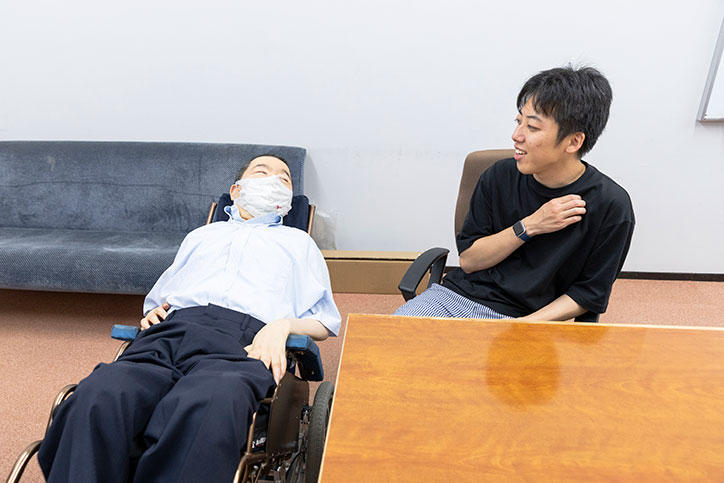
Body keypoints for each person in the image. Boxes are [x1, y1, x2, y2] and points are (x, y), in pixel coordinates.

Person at [37, 154, 341, 482]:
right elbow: (165, 294)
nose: (273, 180)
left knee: (208, 403)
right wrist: (154, 311)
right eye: (261, 172)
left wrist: (283, 326)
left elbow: (324, 321)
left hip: (244, 342)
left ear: (288, 200)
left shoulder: (300, 243)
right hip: (171, 331)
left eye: (283, 178)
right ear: (236, 190)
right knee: (100, 395)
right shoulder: (201, 236)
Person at [396, 66, 634, 321]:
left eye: (532, 127)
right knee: (392, 338)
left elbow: (588, 294)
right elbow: (469, 261)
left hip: (533, 319)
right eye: (518, 121)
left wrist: (523, 326)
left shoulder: (611, 205)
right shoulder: (498, 176)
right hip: (457, 298)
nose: (516, 136)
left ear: (573, 142)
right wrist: (530, 225)